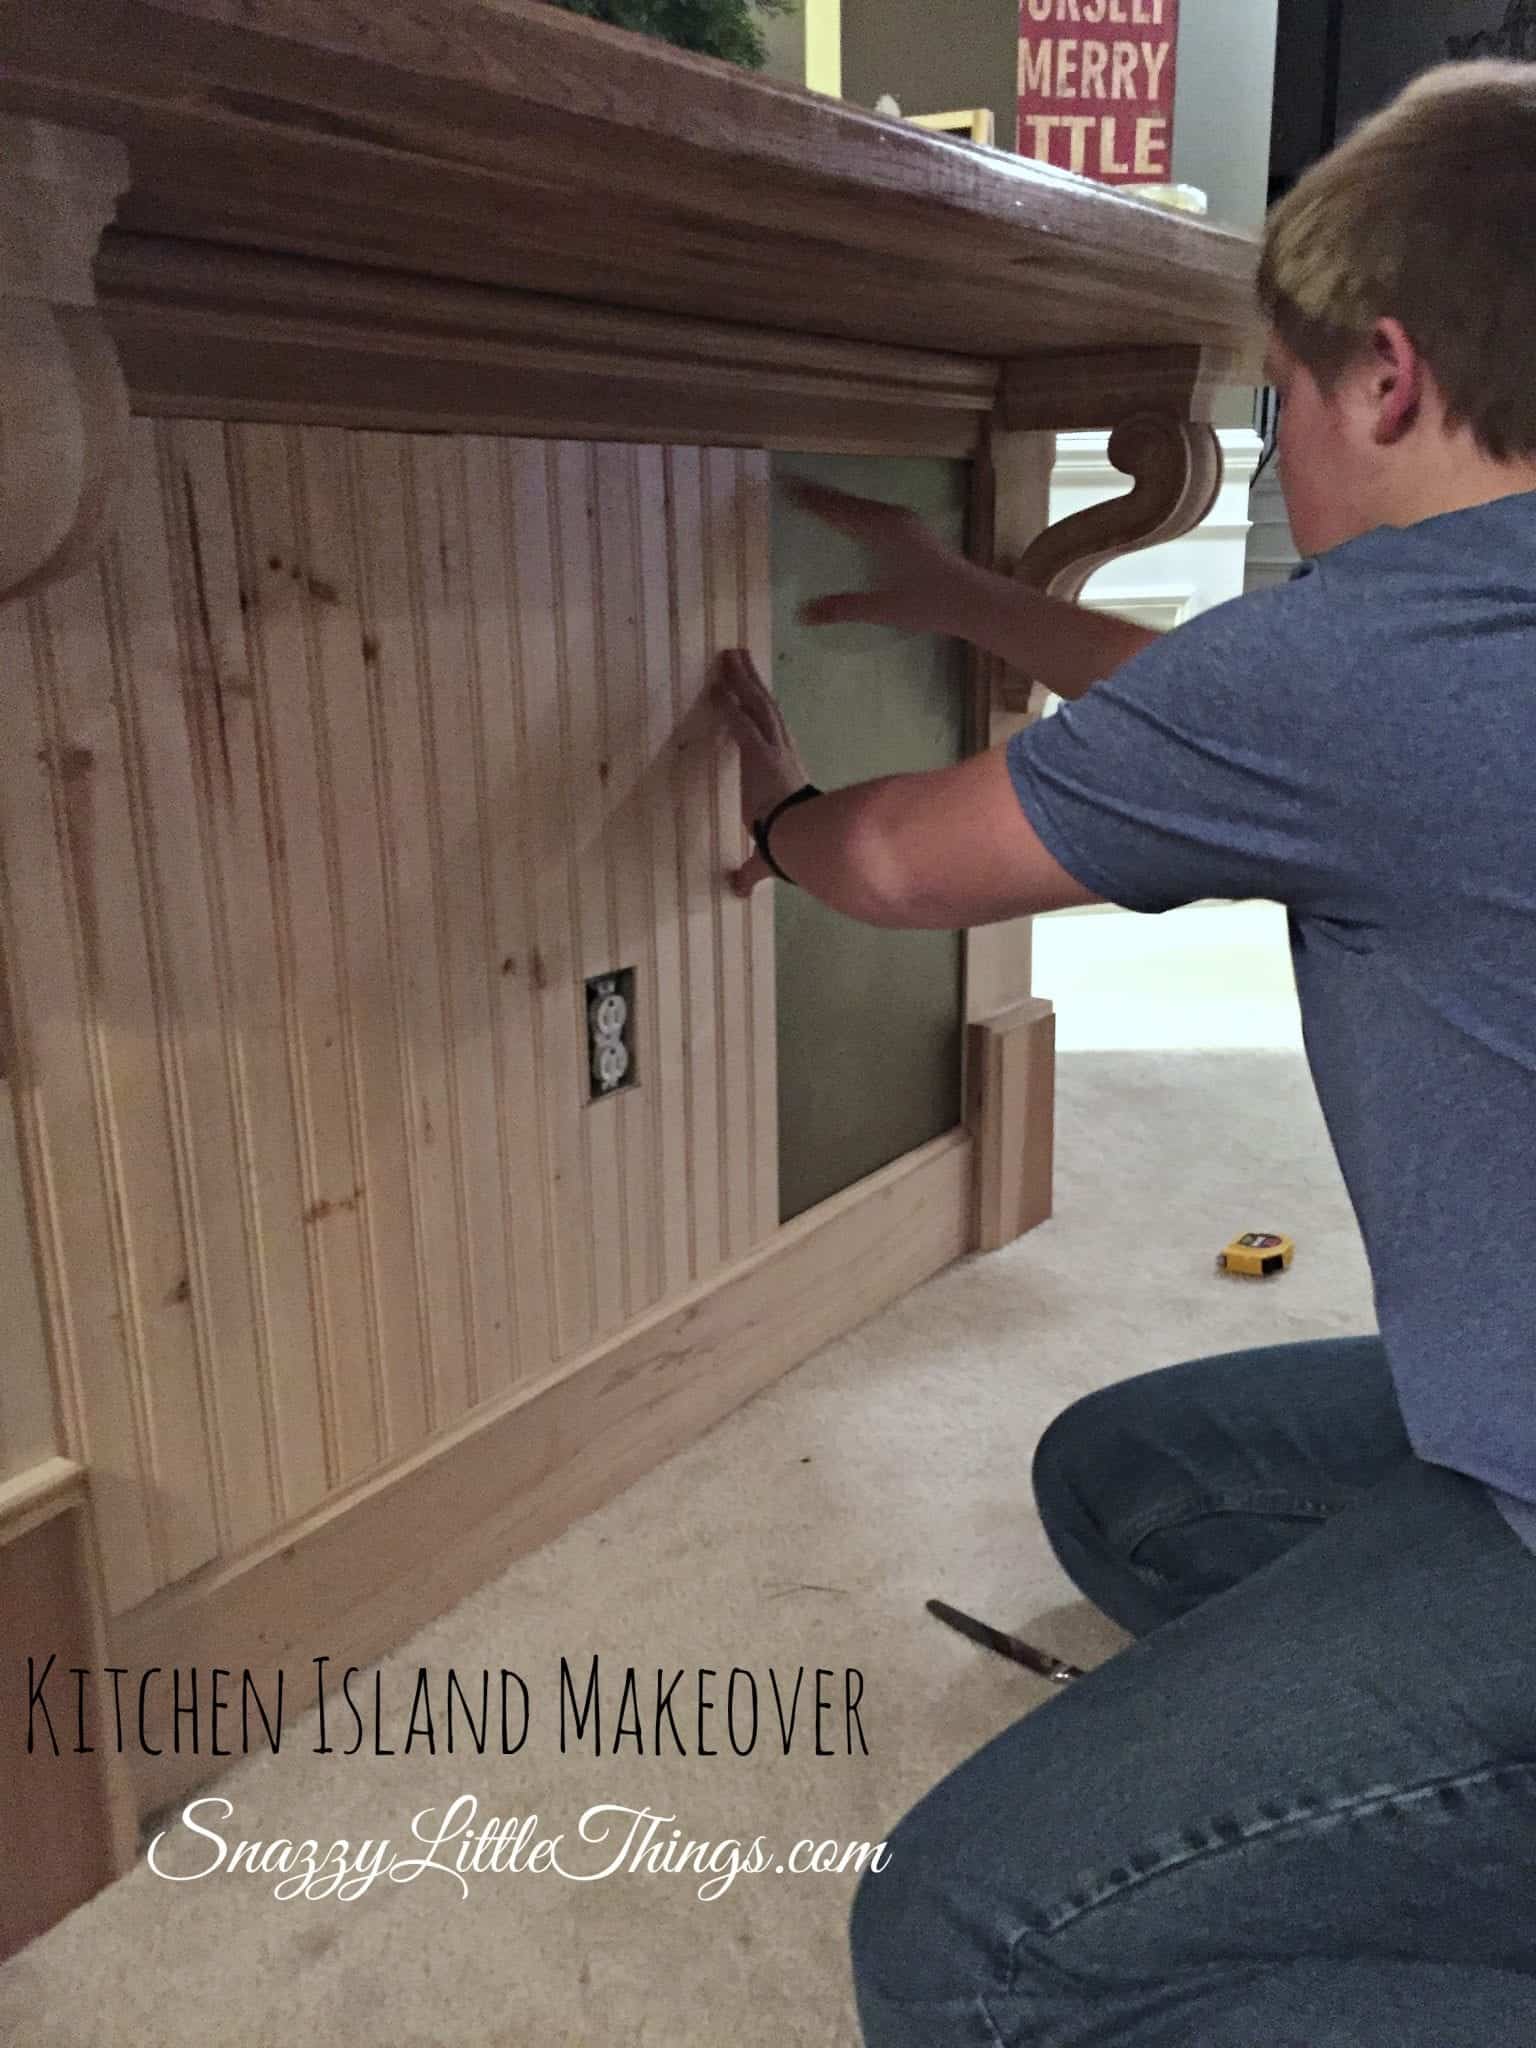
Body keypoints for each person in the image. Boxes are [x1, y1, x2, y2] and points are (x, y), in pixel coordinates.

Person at [710, 58, 1536, 2048]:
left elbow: (907, 864)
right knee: (1132, 1485)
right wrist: (985, 604)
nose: (1267, 447)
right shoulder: (1429, 655)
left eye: (1276, 398)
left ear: (1388, 377)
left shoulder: (1370, 659)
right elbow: (1266, 729)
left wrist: (771, 813)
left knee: (962, 1948)